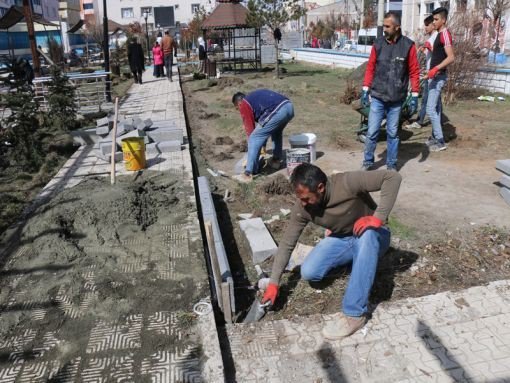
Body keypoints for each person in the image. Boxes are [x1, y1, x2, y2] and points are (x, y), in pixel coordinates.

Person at [261, 163, 401, 339]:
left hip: (374, 236)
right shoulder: (303, 208)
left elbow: (392, 177)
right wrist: (274, 283)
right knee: (310, 272)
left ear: (320, 187)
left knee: (367, 236)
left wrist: (378, 218)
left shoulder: (347, 182)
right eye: (300, 199)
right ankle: (361, 264)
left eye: (306, 198)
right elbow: (287, 243)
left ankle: (354, 314)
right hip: (345, 238)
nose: (303, 203)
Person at [361, 12, 420, 171]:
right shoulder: (378, 44)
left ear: (397, 27)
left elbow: (414, 72)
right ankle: (368, 162)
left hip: (396, 99)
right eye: (384, 25)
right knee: (372, 131)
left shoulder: (408, 46)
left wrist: (415, 95)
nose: (384, 29)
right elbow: (371, 67)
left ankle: (391, 164)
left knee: (392, 133)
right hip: (378, 96)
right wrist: (365, 88)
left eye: (387, 26)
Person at [231, 89, 294, 183]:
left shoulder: (244, 104)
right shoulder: (254, 100)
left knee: (253, 138)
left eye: (237, 108)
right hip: (289, 107)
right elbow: (264, 129)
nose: (239, 110)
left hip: (278, 110)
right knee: (276, 132)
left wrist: (253, 150)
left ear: (239, 103)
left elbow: (251, 132)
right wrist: (262, 145)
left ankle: (248, 174)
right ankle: (276, 161)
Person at [425, 7, 455, 152]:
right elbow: (439, 54)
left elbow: (451, 57)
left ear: (443, 20)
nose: (434, 22)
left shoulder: (445, 34)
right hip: (434, 76)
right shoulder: (438, 35)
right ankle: (436, 138)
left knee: (430, 109)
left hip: (438, 77)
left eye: (436, 19)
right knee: (435, 109)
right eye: (433, 19)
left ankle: (440, 141)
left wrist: (436, 69)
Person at [408, 15, 442, 130]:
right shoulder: (431, 37)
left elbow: (439, 53)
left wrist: (428, 47)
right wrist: (425, 48)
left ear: (433, 25)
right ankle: (436, 121)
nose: (425, 28)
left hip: (434, 74)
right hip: (430, 72)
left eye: (427, 25)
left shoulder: (436, 37)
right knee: (434, 100)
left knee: (428, 99)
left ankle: (421, 121)